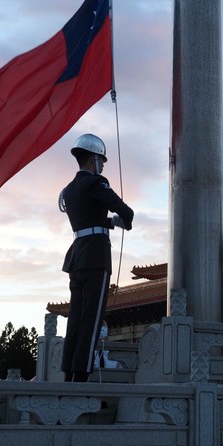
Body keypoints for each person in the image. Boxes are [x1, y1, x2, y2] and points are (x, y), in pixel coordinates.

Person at [59, 134, 133, 382]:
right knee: (91, 318)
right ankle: (81, 376)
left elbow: (89, 216)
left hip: (77, 255)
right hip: (95, 255)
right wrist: (124, 220)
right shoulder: (96, 182)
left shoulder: (69, 189)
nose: (102, 165)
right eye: (102, 160)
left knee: (76, 318)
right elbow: (124, 210)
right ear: (94, 159)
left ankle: (69, 373)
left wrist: (110, 222)